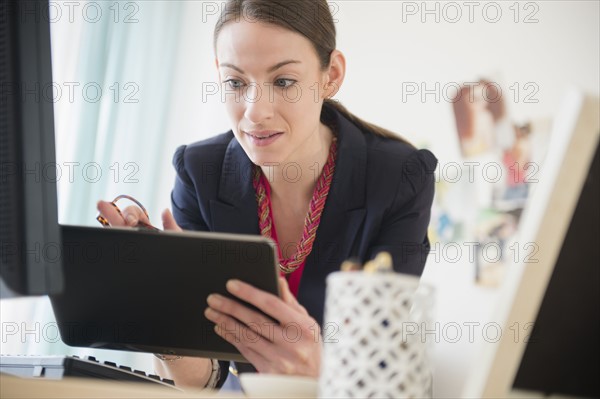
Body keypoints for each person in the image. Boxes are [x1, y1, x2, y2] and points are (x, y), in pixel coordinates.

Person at [97, 0, 437, 391]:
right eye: (236, 82)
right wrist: (165, 321)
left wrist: (321, 367)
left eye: (284, 82)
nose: (255, 112)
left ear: (331, 75)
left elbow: (378, 362)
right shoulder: (198, 174)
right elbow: (208, 379)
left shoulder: (398, 177)